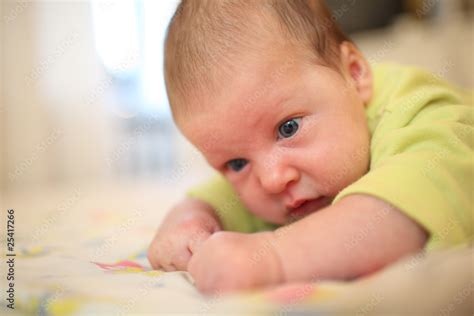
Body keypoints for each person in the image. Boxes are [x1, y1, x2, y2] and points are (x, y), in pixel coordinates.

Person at [148, 0, 473, 293]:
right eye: (236, 163)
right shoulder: (280, 165)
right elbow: (217, 200)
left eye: (287, 128)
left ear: (355, 75)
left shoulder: (421, 112)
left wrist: (273, 258)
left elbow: (396, 217)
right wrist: (188, 223)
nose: (272, 180)